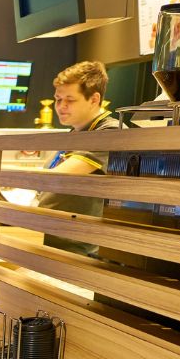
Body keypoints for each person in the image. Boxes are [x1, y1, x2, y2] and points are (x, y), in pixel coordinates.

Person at [36, 60, 124, 256]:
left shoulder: (108, 132)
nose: (61, 106)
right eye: (58, 99)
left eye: (70, 100)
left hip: (77, 249)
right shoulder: (75, 133)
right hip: (48, 240)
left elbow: (58, 176)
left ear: (94, 99)